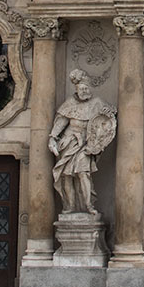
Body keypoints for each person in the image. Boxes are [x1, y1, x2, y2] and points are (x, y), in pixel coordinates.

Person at [48, 68, 116, 215]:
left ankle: (88, 205)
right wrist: (52, 138)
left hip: (86, 145)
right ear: (76, 89)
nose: (85, 91)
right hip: (68, 142)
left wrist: (110, 112)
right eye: (82, 89)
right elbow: (60, 123)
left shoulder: (97, 103)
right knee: (66, 175)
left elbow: (109, 118)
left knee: (83, 173)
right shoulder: (69, 104)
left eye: (86, 88)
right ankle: (70, 206)